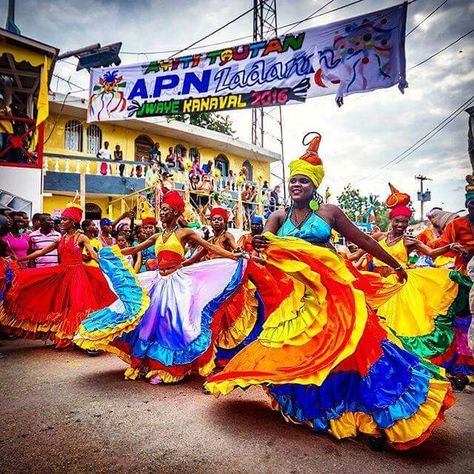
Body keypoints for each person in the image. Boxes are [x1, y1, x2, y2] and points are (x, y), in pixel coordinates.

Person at [205, 133, 454, 451]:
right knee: (307, 353)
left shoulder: (329, 213)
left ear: (314, 187)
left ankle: (378, 413)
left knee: (357, 349)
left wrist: (395, 264)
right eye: (293, 180)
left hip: (338, 294)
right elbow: (261, 247)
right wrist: (258, 245)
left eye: (304, 182)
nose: (297, 185)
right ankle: (323, 412)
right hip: (300, 300)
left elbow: (365, 241)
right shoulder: (278, 217)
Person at [75, 191, 245, 384]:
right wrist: (109, 253)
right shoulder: (158, 235)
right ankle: (146, 363)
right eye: (161, 209)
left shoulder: (185, 233)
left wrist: (234, 256)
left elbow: (210, 248)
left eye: (165, 209)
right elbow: (133, 249)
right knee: (148, 324)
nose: (161, 212)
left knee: (173, 326)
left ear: (174, 212)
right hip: (158, 281)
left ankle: (168, 369)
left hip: (176, 284)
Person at [370, 184, 472, 383]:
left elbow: (431, 253)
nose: (401, 225)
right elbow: (360, 251)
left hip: (401, 287)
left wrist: (450, 246)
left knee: (400, 328)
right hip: (381, 286)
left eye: (405, 222)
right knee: (377, 326)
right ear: (391, 220)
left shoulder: (409, 241)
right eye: (398, 221)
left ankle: (405, 371)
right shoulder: (379, 237)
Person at [0, 197, 117, 348]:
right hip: (62, 274)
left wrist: (108, 267)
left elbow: (93, 254)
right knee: (63, 306)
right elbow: (41, 252)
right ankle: (71, 336)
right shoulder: (60, 239)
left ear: (73, 222)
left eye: (65, 219)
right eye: (61, 219)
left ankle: (84, 337)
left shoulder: (81, 237)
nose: (61, 222)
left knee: (78, 305)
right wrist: (21, 260)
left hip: (78, 275)